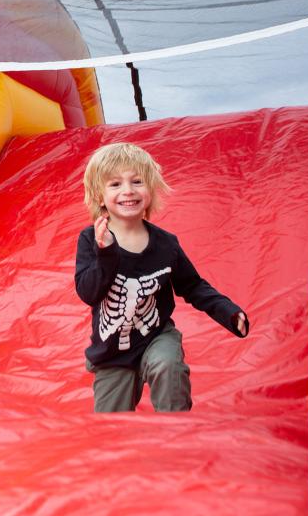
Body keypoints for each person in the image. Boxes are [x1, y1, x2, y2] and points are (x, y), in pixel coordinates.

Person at [74, 142, 249, 413]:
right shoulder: (91, 240)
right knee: (108, 424)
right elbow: (89, 293)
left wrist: (228, 312)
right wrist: (106, 252)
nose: (128, 190)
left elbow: (192, 286)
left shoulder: (166, 244)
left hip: (156, 334)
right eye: (115, 184)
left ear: (151, 191)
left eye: (137, 181)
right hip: (111, 351)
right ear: (99, 196)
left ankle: (176, 431)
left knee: (168, 365)